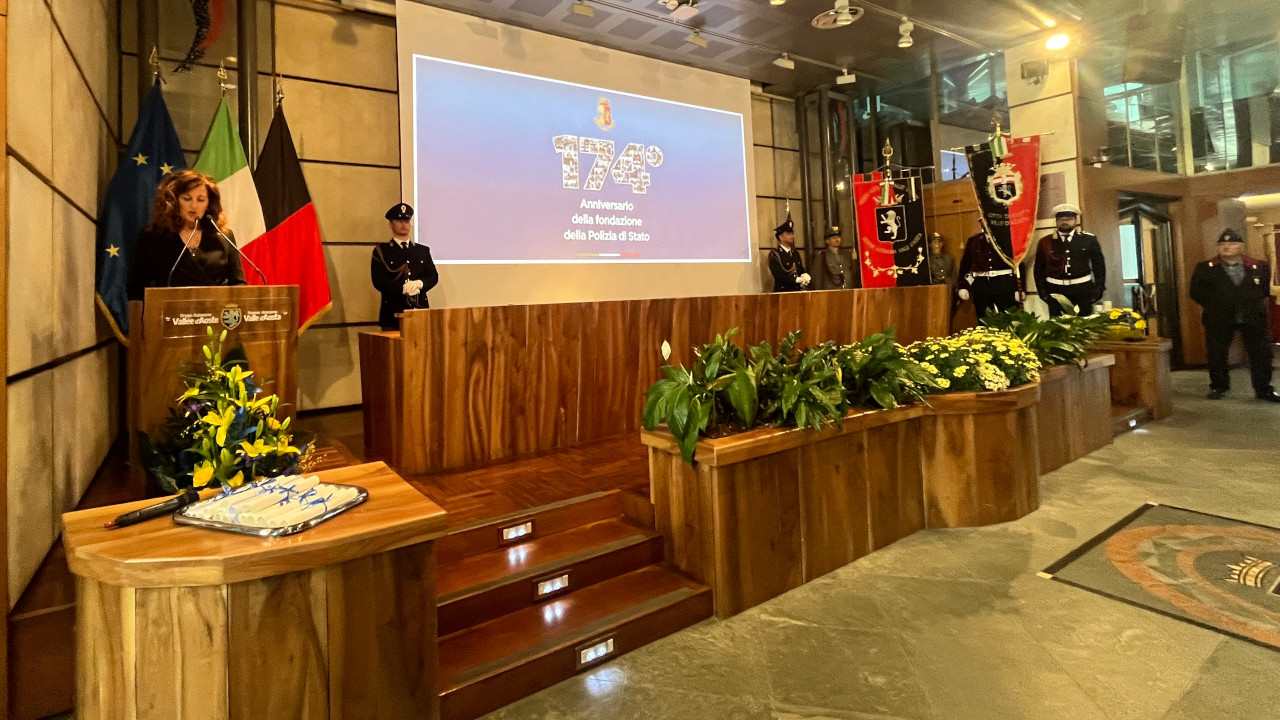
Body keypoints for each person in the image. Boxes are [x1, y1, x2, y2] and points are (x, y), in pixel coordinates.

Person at [1189, 229, 1279, 402]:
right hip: (1218, 317)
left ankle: (1264, 389)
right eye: (1223, 244)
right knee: (1217, 354)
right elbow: (1195, 292)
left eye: (1232, 243)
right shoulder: (1205, 268)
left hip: (1252, 317)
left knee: (1261, 354)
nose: (1227, 247)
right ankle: (1219, 386)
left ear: (1241, 246)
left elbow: (1264, 290)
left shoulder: (1258, 266)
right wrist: (1215, 305)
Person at [127, 169, 246, 300]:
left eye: (201, 200)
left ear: (209, 204)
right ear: (174, 201)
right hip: (170, 309)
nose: (194, 206)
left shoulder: (223, 237)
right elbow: (136, 289)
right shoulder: (153, 236)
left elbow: (238, 284)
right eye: (187, 199)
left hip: (216, 309)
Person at [371, 203, 439, 330]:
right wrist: (402, 289)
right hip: (393, 314)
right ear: (391, 225)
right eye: (399, 221)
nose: (404, 224)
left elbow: (433, 276)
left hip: (419, 311)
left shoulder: (422, 251)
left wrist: (420, 284)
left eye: (407, 221)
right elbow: (379, 281)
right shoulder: (382, 251)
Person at [1033, 204, 1106, 317]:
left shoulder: (1088, 240)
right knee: (1058, 325)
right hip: (1056, 291)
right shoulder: (1045, 242)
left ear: (1075, 220)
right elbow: (1038, 269)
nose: (1065, 222)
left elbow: (1099, 266)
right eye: (1061, 219)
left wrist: (1099, 289)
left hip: (1082, 290)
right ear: (1056, 221)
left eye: (1069, 219)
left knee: (1084, 324)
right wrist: (1042, 292)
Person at [957, 231, 1023, 318]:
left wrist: (1020, 288)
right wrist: (962, 286)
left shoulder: (1008, 238)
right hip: (982, 286)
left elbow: (1019, 263)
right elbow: (965, 264)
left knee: (1009, 318)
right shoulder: (974, 240)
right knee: (983, 319)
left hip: (1005, 285)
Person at [768, 217, 810, 292]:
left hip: (797, 290)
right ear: (780, 237)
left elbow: (800, 269)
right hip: (783, 291)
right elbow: (779, 275)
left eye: (792, 233)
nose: (792, 236)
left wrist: (804, 275)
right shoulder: (775, 255)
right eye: (788, 234)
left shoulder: (795, 253)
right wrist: (796, 280)